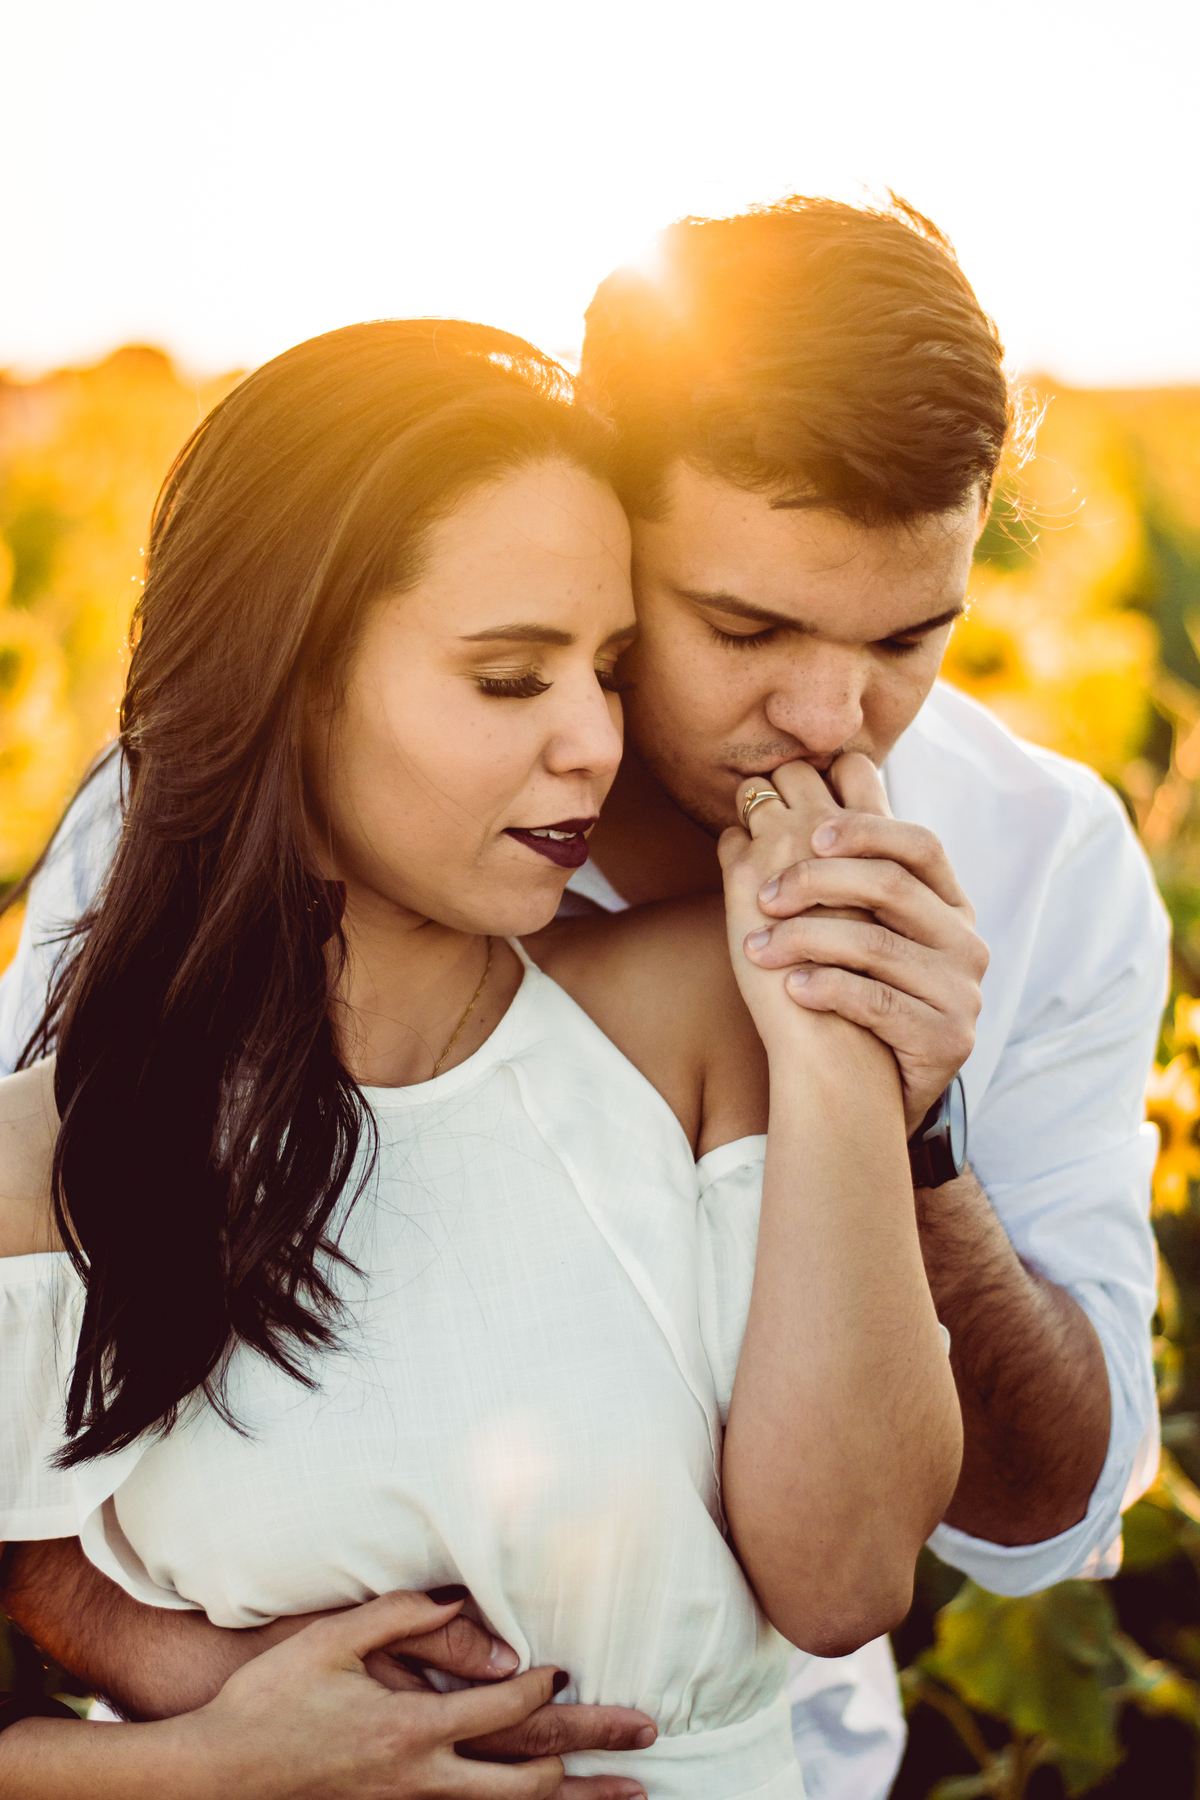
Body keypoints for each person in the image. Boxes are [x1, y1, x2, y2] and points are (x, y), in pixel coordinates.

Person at [0, 196, 1165, 1797]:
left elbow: (1038, 1518)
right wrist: (256, 1719)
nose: (833, 718)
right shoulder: (172, 838)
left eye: (913, 638)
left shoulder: (1041, 862)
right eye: (744, 625)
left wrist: (906, 1118)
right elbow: (45, 1408)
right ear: (609, 503)